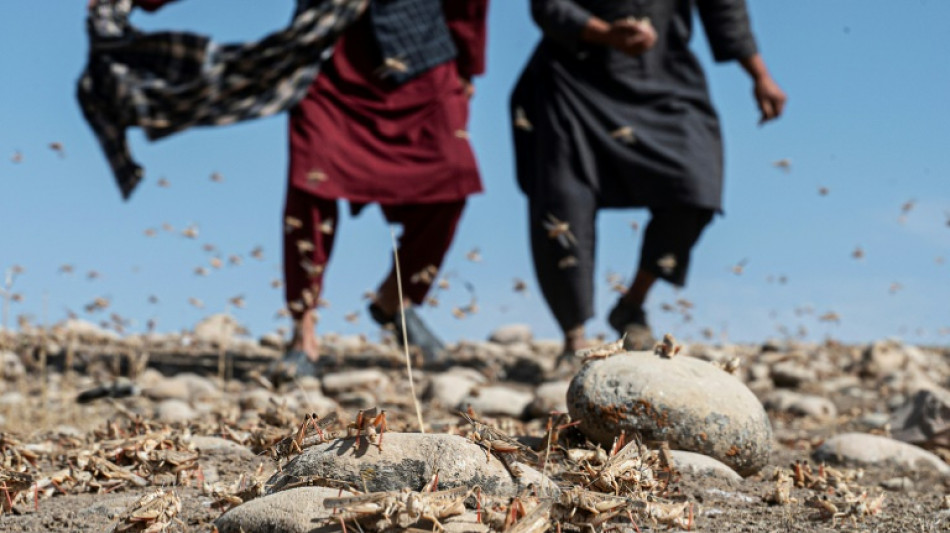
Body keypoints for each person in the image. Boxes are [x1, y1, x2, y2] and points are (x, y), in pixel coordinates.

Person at [120, 0, 489, 374]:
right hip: (331, 58)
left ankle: (396, 299)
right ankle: (303, 331)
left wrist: (469, 62)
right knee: (311, 187)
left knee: (453, 178)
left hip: (424, 59)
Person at [511, 0, 786, 355]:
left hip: (663, 76)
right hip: (572, 78)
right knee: (563, 204)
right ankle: (574, 338)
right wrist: (606, 33)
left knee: (694, 182)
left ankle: (632, 304)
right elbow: (548, 5)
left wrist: (760, 75)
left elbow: (724, 7)